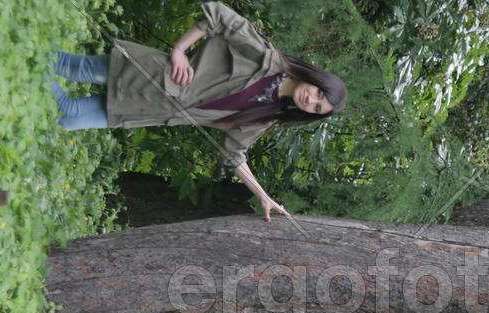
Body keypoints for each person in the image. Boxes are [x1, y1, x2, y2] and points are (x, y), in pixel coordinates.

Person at [49, 1, 347, 221]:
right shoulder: (266, 60)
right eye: (318, 93)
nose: (311, 100)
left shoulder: (265, 117)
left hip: (146, 110)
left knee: (68, 116)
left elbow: (234, 155)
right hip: (150, 74)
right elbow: (217, 14)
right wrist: (179, 51)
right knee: (65, 66)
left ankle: (17, 70)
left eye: (317, 108)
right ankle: (10, 54)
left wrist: (263, 196)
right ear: (315, 78)